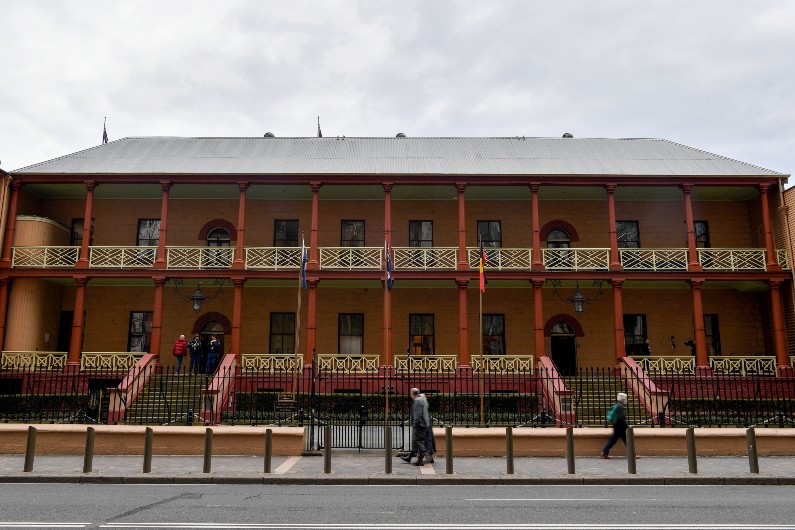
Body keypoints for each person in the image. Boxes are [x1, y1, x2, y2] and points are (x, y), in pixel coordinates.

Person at [401, 388, 431, 466]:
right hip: (426, 424)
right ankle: (418, 460)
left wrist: (415, 424)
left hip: (420, 424)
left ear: (412, 394)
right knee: (419, 441)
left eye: (411, 394)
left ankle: (427, 455)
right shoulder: (423, 399)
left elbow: (417, 414)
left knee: (418, 441)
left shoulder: (417, 400)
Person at [601, 392, 628, 459]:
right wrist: (626, 426)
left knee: (614, 439)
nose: (625, 400)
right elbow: (620, 417)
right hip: (620, 426)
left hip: (616, 425)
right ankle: (633, 454)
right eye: (625, 399)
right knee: (626, 440)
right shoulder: (620, 406)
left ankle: (605, 452)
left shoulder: (617, 405)